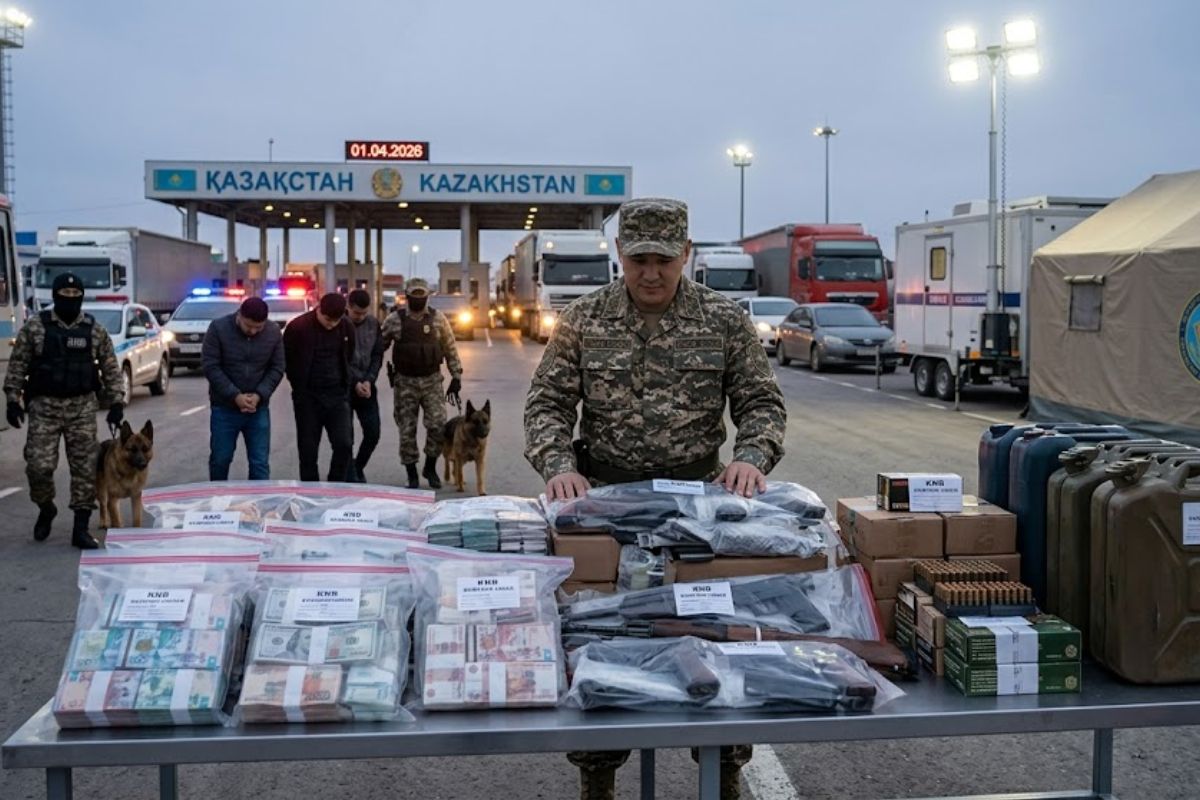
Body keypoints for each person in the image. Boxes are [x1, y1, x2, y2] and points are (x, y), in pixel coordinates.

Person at [524, 198, 787, 800]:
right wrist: (560, 466)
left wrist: (752, 456)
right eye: (638, 258)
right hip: (607, 507)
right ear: (619, 255)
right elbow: (546, 405)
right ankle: (598, 773)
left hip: (699, 510)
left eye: (663, 260)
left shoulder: (723, 319)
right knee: (604, 638)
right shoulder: (584, 318)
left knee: (710, 635)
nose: (650, 273)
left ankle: (722, 768)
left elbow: (761, 403)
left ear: (685, 255)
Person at [3, 273, 125, 548]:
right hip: (44, 407)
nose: (70, 300)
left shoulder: (94, 330)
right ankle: (46, 508)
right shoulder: (36, 328)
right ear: (55, 296)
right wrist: (13, 400)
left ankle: (80, 528)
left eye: (75, 295)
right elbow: (18, 365)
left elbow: (110, 367)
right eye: (65, 295)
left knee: (84, 469)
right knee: (39, 467)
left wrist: (116, 402)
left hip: (82, 408)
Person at [381, 277, 463, 489]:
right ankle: (411, 473)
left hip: (432, 381)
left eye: (422, 296)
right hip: (405, 383)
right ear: (407, 297)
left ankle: (430, 466)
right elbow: (378, 344)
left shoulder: (438, 319)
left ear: (427, 297)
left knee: (437, 425)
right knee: (406, 429)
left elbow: (450, 347)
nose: (418, 300)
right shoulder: (394, 320)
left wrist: (456, 376)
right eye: (414, 296)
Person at [201, 296, 285, 480]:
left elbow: (277, 367)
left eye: (258, 327)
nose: (253, 331)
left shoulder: (273, 332)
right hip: (225, 407)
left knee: (259, 462)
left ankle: (259, 504)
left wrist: (260, 394)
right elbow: (211, 366)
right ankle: (218, 501)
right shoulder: (218, 328)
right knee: (220, 459)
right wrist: (234, 395)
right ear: (239, 315)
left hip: (258, 408)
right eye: (248, 326)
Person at [283, 292, 356, 482]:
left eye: (336, 320)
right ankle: (310, 492)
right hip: (308, 397)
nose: (331, 324)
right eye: (327, 319)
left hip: (338, 395)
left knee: (344, 444)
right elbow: (288, 361)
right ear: (318, 309)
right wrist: (299, 386)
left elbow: (349, 355)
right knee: (308, 449)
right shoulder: (298, 327)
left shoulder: (346, 326)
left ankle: (335, 486)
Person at [345, 288, 384, 482]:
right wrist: (355, 383)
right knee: (346, 438)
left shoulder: (373, 324)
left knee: (373, 432)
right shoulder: (340, 324)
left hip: (367, 387)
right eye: (356, 313)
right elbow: (338, 359)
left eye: (364, 313)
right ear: (348, 307)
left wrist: (369, 380)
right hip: (344, 388)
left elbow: (377, 355)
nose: (360, 317)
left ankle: (358, 465)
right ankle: (349, 475)